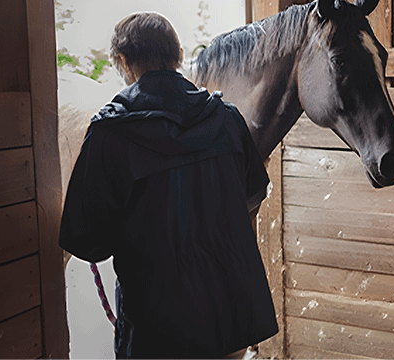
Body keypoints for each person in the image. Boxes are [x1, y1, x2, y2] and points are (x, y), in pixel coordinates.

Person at [59, 12, 278, 359]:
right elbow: (253, 195)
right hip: (231, 312)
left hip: (158, 328)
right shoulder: (226, 118)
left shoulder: (110, 133)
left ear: (124, 61)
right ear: (177, 55)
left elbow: (86, 241)